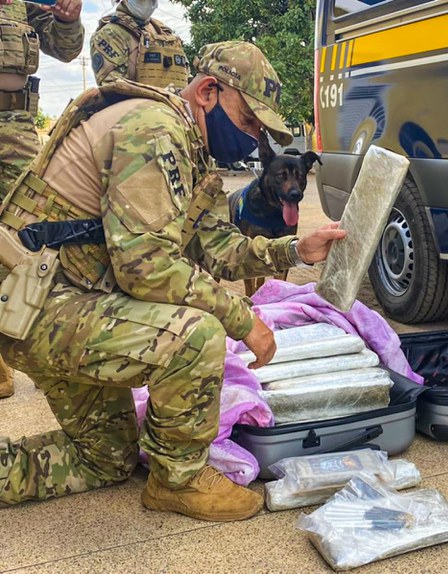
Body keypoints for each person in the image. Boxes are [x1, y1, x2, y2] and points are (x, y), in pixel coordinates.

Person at [0, 41, 345, 521]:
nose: (251, 139)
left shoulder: (186, 145)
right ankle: (177, 479)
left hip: (62, 303)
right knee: (198, 335)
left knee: (106, 459)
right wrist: (242, 319)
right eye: (248, 122)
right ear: (207, 91)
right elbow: (146, 265)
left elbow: (214, 245)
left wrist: (294, 250)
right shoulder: (154, 128)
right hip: (40, 309)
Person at [0, 0, 84, 399]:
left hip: (16, 130)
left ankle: (34, 343)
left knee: (27, 235)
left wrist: (68, 20)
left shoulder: (24, 7)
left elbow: (65, 48)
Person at [90, 0, 188, 89]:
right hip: (135, 107)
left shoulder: (164, 32)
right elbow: (113, 88)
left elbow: (185, 76)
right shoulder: (111, 34)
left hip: (176, 107)